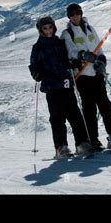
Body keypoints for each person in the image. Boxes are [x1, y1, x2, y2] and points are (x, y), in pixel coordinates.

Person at [61, 4, 111, 151]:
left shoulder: (90, 29)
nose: (75, 16)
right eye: (72, 14)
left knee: (105, 105)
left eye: (77, 13)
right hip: (82, 75)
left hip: (96, 74)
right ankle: (93, 139)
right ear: (69, 17)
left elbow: (99, 47)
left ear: (81, 13)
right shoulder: (67, 34)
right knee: (89, 108)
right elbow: (71, 52)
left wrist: (101, 62)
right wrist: (82, 55)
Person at [29, 16, 93, 159]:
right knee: (57, 118)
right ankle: (61, 147)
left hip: (66, 83)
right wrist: (36, 73)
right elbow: (33, 65)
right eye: (45, 28)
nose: (48, 30)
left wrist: (74, 64)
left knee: (75, 115)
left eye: (50, 27)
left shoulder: (60, 43)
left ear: (54, 28)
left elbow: (68, 58)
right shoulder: (38, 47)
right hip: (51, 87)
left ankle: (82, 143)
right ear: (40, 30)